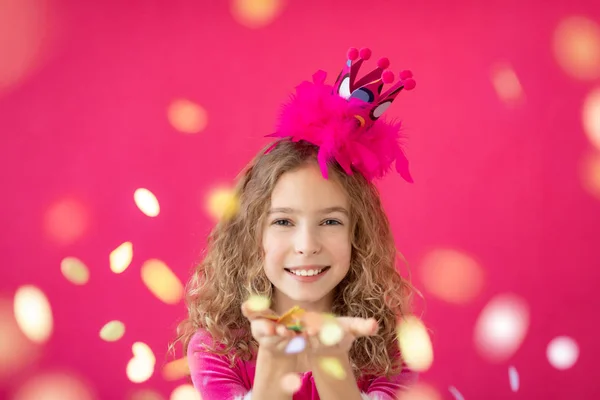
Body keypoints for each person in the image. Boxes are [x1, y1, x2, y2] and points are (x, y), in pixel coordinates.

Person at [173, 47, 419, 399]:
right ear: (251, 233)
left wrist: (331, 360)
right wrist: (274, 360)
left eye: (331, 221)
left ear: (357, 234)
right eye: (284, 221)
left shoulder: (392, 349)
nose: (306, 244)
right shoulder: (215, 347)